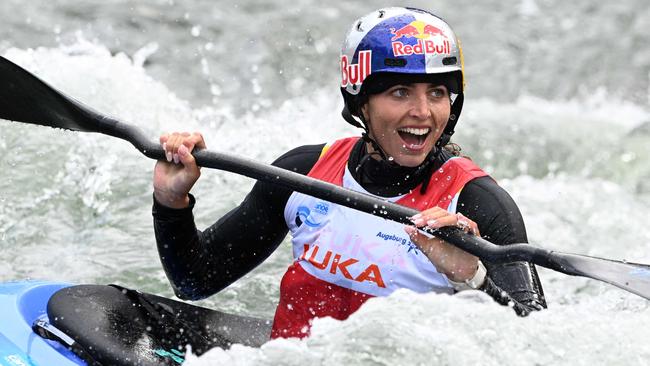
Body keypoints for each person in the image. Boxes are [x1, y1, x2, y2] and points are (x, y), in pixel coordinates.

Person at [152, 7, 546, 340]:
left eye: (437, 92)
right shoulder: (302, 174)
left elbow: (537, 344)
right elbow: (196, 281)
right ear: (360, 101)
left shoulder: (480, 204)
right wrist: (171, 202)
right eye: (400, 92)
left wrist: (470, 276)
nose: (423, 112)